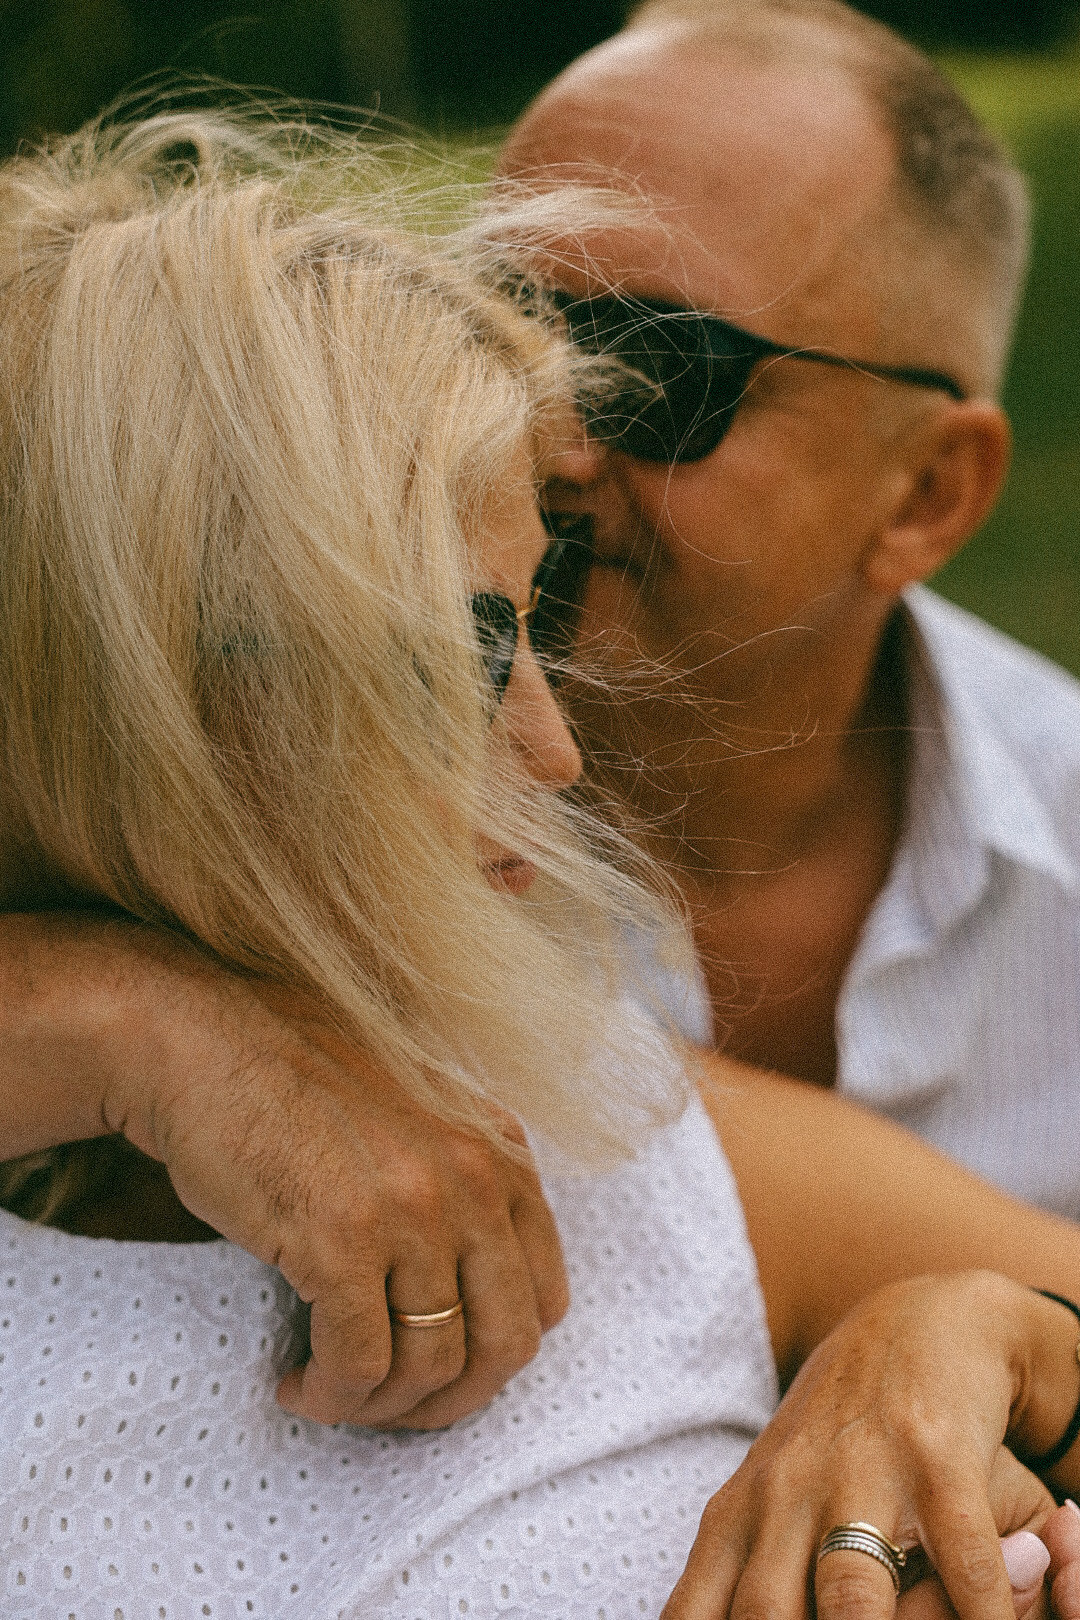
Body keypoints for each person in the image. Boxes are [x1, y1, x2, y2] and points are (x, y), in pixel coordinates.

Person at [6, 107, 1080, 1620]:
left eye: (672, 374)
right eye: (454, 659)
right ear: (151, 696)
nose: (561, 759)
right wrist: (120, 1022)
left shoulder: (592, 1119)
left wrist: (958, 1326)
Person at [501, 0, 1080, 1215]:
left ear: (925, 493)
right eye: (492, 334)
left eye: (652, 369)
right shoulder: (269, 777)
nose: (543, 440)